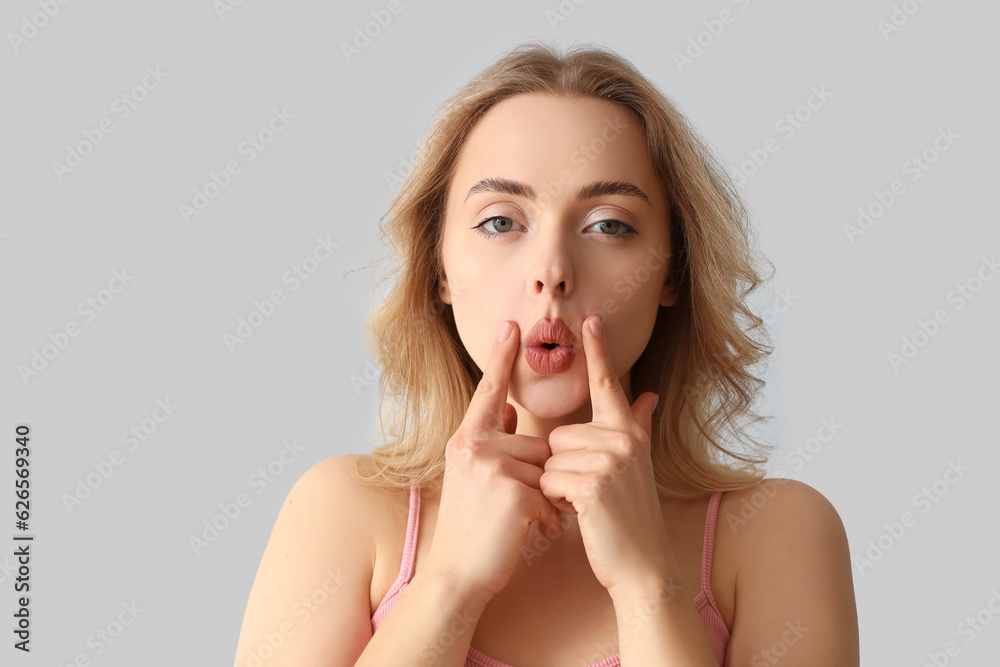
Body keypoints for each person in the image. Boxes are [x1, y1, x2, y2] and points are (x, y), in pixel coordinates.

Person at [234, 40, 860, 666]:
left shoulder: (781, 533)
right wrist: (450, 584)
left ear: (675, 272)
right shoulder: (342, 510)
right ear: (439, 269)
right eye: (501, 222)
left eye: (610, 224)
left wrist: (648, 585)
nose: (553, 271)